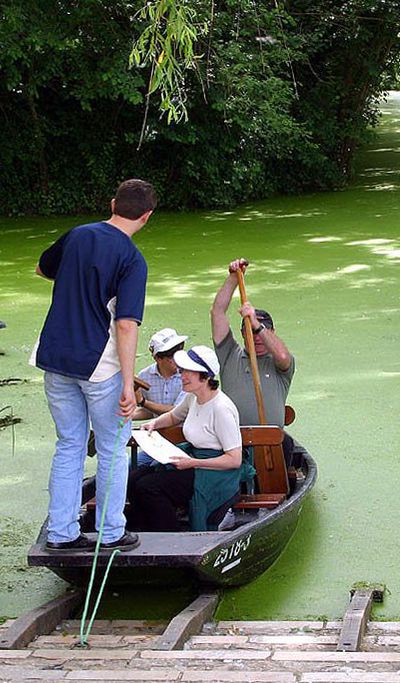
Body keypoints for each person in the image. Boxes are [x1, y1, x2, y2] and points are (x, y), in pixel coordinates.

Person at [33, 179, 156, 552]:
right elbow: (125, 325)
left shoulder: (77, 235)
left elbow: (42, 268)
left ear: (113, 203)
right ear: (147, 217)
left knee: (69, 444)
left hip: (54, 357)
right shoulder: (132, 260)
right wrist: (125, 387)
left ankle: (61, 533)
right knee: (113, 448)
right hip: (99, 365)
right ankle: (111, 531)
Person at [128, 346, 250, 532]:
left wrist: (192, 463)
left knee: (149, 487)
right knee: (135, 478)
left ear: (205, 376)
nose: (181, 374)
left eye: (188, 371)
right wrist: (153, 424)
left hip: (213, 473)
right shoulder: (192, 398)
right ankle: (142, 530)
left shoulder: (221, 408)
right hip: (192, 461)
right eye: (183, 370)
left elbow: (234, 460)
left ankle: (169, 536)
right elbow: (174, 416)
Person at [211, 258, 294, 429]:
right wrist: (234, 278)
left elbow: (283, 356)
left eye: (261, 332)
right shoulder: (230, 355)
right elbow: (217, 312)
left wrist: (256, 325)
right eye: (249, 332)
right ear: (243, 334)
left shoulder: (279, 364)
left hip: (269, 444)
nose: (256, 337)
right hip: (233, 443)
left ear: (272, 332)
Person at [131, 327, 188, 467]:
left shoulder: (189, 375)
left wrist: (143, 402)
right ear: (157, 358)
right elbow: (150, 411)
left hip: (185, 442)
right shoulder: (145, 376)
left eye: (179, 350)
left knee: (154, 469)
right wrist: (128, 414)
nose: (176, 358)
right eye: (170, 355)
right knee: (129, 468)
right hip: (158, 442)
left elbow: (177, 411)